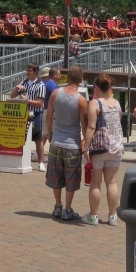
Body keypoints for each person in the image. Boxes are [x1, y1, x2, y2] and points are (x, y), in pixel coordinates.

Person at [45, 65, 87, 221]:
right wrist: (85, 141)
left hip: (56, 141)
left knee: (56, 176)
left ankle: (57, 205)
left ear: (67, 78)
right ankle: (67, 209)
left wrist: (50, 133)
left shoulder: (56, 94)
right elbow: (84, 124)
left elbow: (49, 116)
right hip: (72, 144)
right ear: (81, 80)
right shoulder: (81, 100)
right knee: (71, 178)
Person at [82, 73, 125, 225]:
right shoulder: (117, 103)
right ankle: (113, 216)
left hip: (100, 147)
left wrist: (86, 147)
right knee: (112, 182)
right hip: (116, 146)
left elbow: (91, 126)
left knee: (96, 182)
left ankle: (93, 216)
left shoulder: (95, 103)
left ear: (96, 88)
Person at [11, 62, 48, 172]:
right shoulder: (24, 83)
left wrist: (26, 101)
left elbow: (40, 103)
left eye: (29, 70)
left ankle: (41, 162)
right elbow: (12, 96)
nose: (27, 72)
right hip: (24, 114)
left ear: (36, 72)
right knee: (23, 138)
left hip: (36, 114)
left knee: (38, 139)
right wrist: (16, 88)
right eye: (26, 70)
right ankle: (23, 159)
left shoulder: (41, 85)